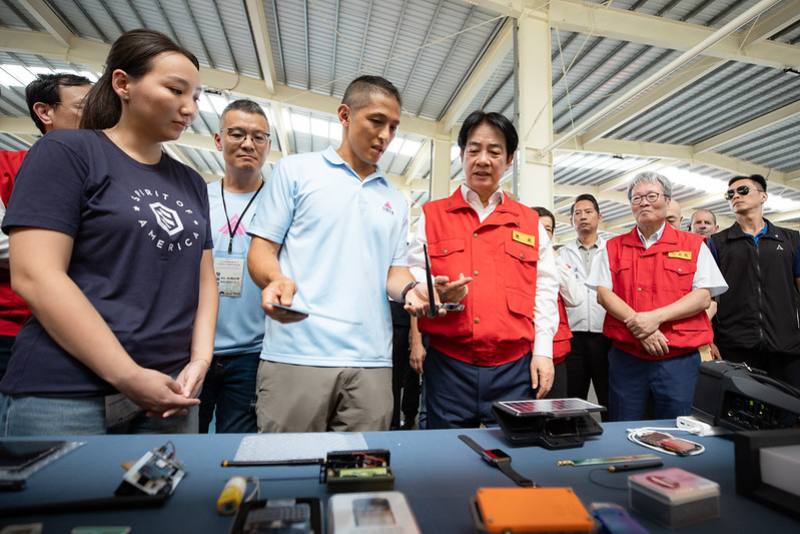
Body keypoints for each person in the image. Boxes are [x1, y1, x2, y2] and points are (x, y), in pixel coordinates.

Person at [0, 29, 218, 435]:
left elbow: (204, 281)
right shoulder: (68, 152)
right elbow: (35, 275)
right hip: (68, 393)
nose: (189, 108)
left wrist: (200, 360)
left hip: (170, 392)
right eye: (175, 90)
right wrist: (127, 375)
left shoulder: (191, 182)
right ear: (122, 84)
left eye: (196, 97)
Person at [247, 75, 432, 433]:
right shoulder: (296, 171)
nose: (386, 136)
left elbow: (393, 273)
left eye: (394, 127)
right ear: (345, 115)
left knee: (364, 467)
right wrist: (275, 279)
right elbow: (262, 248)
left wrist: (412, 290)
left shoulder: (395, 199)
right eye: (376, 121)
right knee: (287, 464)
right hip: (297, 354)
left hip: (372, 363)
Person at [407, 110, 559, 429]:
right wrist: (432, 290)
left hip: (514, 369)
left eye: (494, 151)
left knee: (512, 451)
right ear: (462, 154)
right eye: (474, 150)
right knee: (447, 452)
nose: (483, 160)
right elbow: (413, 274)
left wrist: (543, 352)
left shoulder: (530, 222)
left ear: (509, 159)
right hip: (449, 367)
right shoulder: (432, 216)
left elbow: (545, 290)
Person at [588, 172, 727, 421]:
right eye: (636, 198)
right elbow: (604, 294)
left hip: (678, 361)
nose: (644, 202)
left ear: (667, 200)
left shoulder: (694, 245)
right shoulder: (613, 247)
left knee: (677, 428)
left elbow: (703, 297)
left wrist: (654, 318)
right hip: (628, 359)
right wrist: (642, 328)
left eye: (651, 196)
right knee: (624, 425)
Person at [0, 73, 92, 380]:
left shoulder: (105, 174)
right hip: (11, 328)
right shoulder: (6, 166)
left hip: (86, 327)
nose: (97, 116)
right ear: (44, 112)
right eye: (84, 107)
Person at [198, 99, 271, 434]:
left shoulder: (279, 203)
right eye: (237, 134)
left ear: (267, 145)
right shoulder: (197, 197)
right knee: (187, 441)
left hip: (253, 352)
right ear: (218, 140)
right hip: (196, 347)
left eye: (258, 137)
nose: (248, 144)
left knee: (238, 445)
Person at [709, 174, 800, 387]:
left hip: (786, 345)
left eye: (743, 190)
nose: (735, 196)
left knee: (789, 405)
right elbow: (709, 297)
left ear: (763, 196)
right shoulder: (717, 242)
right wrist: (708, 339)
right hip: (734, 346)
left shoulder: (791, 240)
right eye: (730, 194)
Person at [559, 194, 610, 418]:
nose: (583, 217)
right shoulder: (562, 254)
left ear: (599, 217)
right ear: (572, 220)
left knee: (608, 394)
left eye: (588, 212)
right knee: (574, 398)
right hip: (573, 337)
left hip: (605, 336)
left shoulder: (611, 250)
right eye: (577, 213)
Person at [533, 206, 584, 398]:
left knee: (553, 409)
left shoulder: (557, 261)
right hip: (519, 353)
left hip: (554, 353)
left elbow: (575, 298)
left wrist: (554, 260)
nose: (542, 233)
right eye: (538, 228)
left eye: (547, 229)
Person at [389, 300, 421, 429]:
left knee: (409, 372)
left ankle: (407, 417)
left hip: (405, 314)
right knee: (394, 375)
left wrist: (415, 333)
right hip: (390, 314)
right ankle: (395, 420)